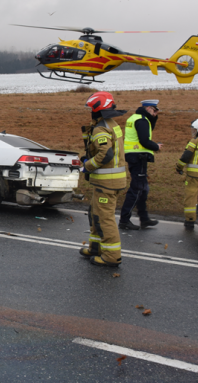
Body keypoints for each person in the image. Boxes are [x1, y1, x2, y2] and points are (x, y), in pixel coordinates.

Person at [79, 91, 128, 267]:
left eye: (91, 109)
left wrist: (87, 166)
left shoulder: (101, 128)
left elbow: (105, 154)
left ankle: (111, 256)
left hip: (107, 182)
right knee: (95, 215)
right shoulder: (111, 124)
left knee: (104, 218)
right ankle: (95, 248)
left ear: (97, 110)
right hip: (107, 181)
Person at [118, 100, 162, 230]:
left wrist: (154, 117)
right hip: (138, 156)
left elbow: (148, 131)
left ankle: (144, 218)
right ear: (148, 108)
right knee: (137, 189)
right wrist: (156, 146)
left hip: (134, 156)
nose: (155, 113)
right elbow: (145, 140)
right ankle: (124, 220)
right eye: (154, 110)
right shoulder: (141, 120)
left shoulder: (137, 117)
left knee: (143, 189)